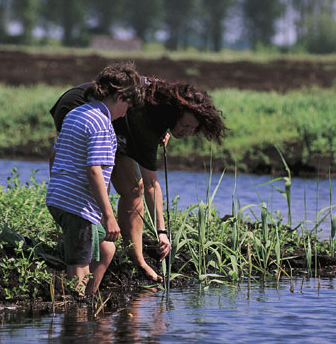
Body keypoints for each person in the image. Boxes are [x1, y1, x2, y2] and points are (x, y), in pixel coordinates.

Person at [50, 76, 227, 282]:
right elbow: (152, 183)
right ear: (174, 114)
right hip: (82, 104)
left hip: (123, 120)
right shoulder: (145, 123)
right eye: (185, 125)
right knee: (99, 180)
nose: (187, 132)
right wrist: (161, 231)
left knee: (134, 190)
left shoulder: (160, 109)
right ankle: (85, 233)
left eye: (192, 129)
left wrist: (163, 129)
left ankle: (136, 258)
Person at [46, 62, 144, 295]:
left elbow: (54, 154)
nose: (126, 112)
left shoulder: (76, 112)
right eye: (128, 105)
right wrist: (109, 216)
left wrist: (59, 187)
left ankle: (88, 301)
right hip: (77, 206)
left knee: (106, 248)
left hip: (61, 199)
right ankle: (76, 313)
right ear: (120, 96)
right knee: (79, 266)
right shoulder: (101, 124)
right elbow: (94, 171)